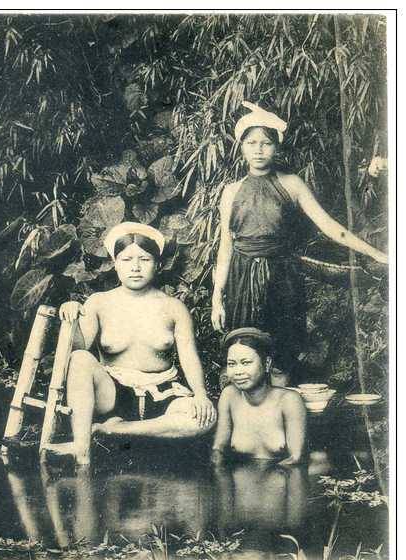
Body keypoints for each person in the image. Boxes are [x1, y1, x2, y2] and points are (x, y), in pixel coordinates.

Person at [211, 101, 388, 382]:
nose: (258, 149)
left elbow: (330, 226)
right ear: (241, 147)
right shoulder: (231, 192)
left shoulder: (291, 183)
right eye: (252, 143)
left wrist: (375, 254)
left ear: (276, 147)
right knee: (244, 353)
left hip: (283, 277)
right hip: (241, 279)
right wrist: (217, 297)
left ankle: (280, 412)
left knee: (283, 353)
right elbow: (225, 248)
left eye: (266, 143)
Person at [58, 221, 216, 466]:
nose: (135, 268)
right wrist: (72, 318)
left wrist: (201, 395)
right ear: (115, 263)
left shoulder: (173, 307)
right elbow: (79, 349)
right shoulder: (98, 303)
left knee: (204, 420)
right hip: (113, 394)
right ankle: (82, 449)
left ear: (158, 264)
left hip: (163, 393)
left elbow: (188, 356)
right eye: (126, 260)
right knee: (79, 359)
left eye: (144, 260)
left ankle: (114, 430)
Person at [211, 328, 306, 466]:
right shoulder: (229, 395)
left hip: (281, 480)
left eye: (246, 363)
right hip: (243, 481)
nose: (238, 372)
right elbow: (218, 449)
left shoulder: (289, 400)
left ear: (267, 364)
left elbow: (295, 459)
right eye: (232, 364)